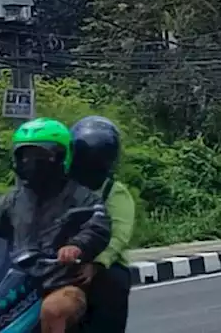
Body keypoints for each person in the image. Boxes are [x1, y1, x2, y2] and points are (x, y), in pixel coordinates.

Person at [0, 118, 111, 333]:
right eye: (25, 156)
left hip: (60, 282)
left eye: (41, 156)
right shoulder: (10, 201)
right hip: (14, 285)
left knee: (54, 309)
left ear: (61, 156)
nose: (31, 162)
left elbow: (98, 225)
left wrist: (77, 246)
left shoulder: (82, 197)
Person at [67, 116, 134, 333]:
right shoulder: (60, 187)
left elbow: (119, 236)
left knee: (113, 283)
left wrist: (96, 265)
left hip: (104, 266)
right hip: (62, 261)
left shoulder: (115, 192)